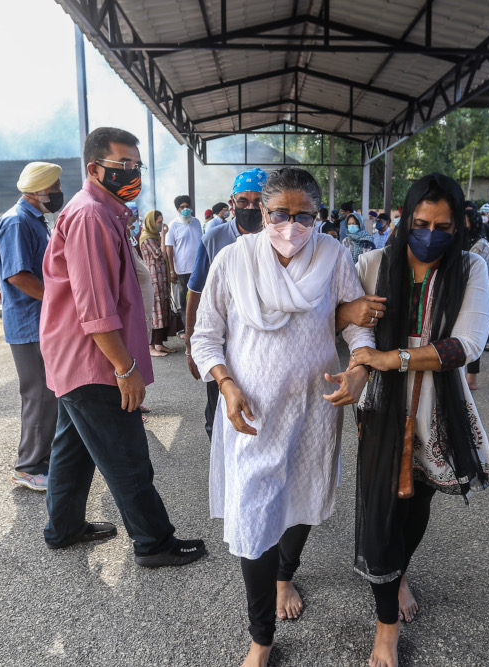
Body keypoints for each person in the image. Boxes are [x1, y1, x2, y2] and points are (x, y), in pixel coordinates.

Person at [190, 167, 373, 667]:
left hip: (317, 406)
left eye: (302, 216)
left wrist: (359, 370)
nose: (290, 226)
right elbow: (205, 337)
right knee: (254, 515)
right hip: (252, 411)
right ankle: (261, 638)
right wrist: (225, 385)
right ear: (260, 213)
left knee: (302, 495)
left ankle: (285, 573)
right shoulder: (232, 260)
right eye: (279, 214)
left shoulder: (333, 255)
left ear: (318, 216)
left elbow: (359, 324)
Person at [40, 126, 205, 565]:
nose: (131, 172)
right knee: (127, 457)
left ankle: (64, 527)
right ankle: (155, 543)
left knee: (73, 450)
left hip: (78, 360)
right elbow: (95, 306)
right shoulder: (92, 215)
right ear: (95, 169)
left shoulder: (105, 212)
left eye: (136, 165)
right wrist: (125, 368)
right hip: (96, 362)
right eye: (122, 165)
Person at [349, 173, 489, 667]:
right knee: (383, 506)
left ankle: (401, 570)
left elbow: (468, 343)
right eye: (421, 222)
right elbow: (351, 328)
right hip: (382, 405)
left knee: (418, 499)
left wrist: (397, 359)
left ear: (459, 225)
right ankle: (385, 624)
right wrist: (365, 357)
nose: (431, 233)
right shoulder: (371, 263)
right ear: (406, 218)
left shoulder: (470, 266)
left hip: (439, 401)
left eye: (443, 225)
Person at [0, 161, 64, 491]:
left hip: (40, 320)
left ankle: (43, 458)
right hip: (29, 322)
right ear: (38, 189)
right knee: (39, 395)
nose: (58, 192)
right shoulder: (17, 222)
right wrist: (56, 301)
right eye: (55, 187)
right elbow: (18, 275)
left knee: (49, 394)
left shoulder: (35, 220)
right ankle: (28, 466)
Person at [185, 167, 267, 442]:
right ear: (232, 202)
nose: (251, 207)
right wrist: (190, 346)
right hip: (220, 350)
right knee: (218, 417)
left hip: (262, 348)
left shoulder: (277, 239)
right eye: (244, 201)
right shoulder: (214, 239)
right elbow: (195, 293)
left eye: (259, 201)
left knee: (261, 416)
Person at [138, 210, 175, 357]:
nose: (161, 225)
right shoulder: (147, 238)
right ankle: (150, 346)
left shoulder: (153, 236)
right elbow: (160, 255)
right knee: (155, 312)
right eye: (158, 222)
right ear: (151, 223)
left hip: (161, 278)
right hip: (154, 278)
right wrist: (164, 236)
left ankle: (159, 344)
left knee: (162, 310)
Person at [464, 207, 489, 390]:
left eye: (464, 221)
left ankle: (471, 379)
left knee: (472, 335)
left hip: (475, 293)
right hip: (466, 292)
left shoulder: (480, 243)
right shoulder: (467, 240)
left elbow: (471, 271)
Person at [164, 194, 202, 330]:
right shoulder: (173, 225)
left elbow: (201, 243)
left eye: (187, 206)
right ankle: (187, 329)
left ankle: (198, 327)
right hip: (181, 271)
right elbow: (169, 248)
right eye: (182, 207)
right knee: (182, 302)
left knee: (199, 298)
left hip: (197, 269)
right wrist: (171, 270)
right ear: (177, 209)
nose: (185, 209)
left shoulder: (197, 222)